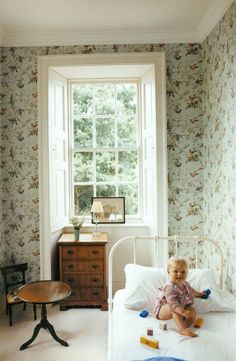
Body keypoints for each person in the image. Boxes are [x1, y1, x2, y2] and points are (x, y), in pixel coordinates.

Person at [154, 256, 205, 337]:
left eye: (183, 272)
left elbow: (191, 291)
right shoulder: (169, 288)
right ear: (168, 272)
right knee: (174, 310)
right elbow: (173, 304)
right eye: (176, 271)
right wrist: (183, 312)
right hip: (164, 309)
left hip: (180, 308)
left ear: (187, 273)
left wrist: (199, 294)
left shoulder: (185, 284)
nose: (179, 274)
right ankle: (182, 329)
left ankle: (185, 324)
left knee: (192, 311)